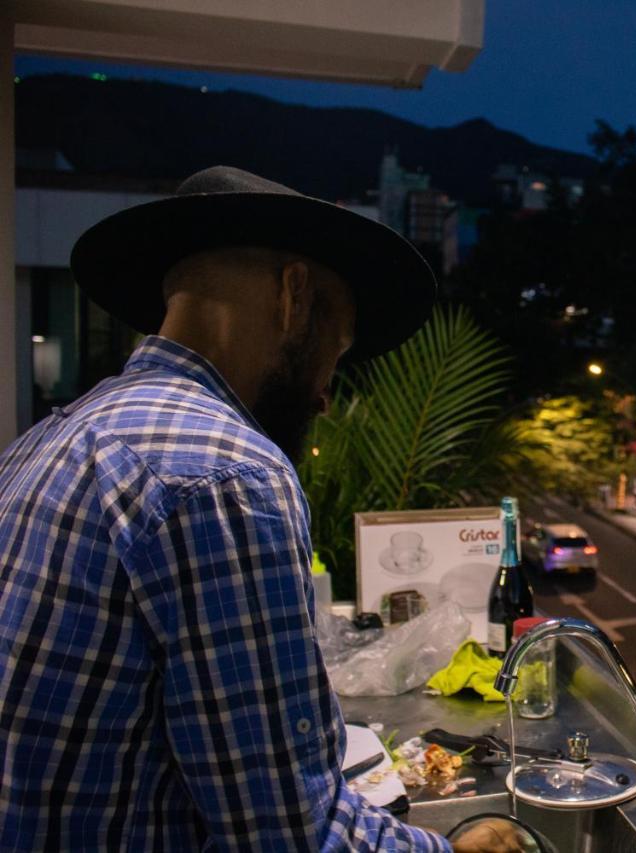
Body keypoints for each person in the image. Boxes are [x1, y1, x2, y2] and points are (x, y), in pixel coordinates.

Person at [0, 167, 517, 851]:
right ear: (294, 297)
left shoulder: (53, 436)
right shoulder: (226, 473)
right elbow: (288, 834)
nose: (327, 396)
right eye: (337, 350)